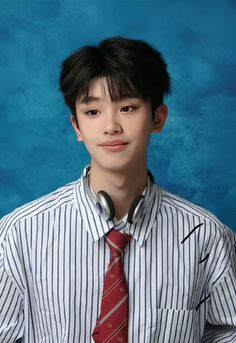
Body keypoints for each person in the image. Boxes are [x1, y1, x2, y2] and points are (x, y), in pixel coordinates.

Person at [0, 36, 235, 343]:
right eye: (93, 112)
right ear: (77, 127)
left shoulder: (207, 237)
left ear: (158, 118)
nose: (111, 126)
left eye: (127, 107)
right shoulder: (19, 234)